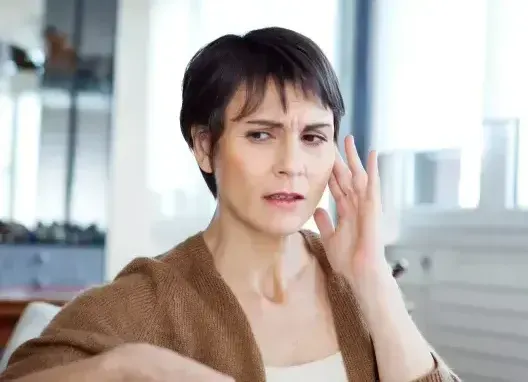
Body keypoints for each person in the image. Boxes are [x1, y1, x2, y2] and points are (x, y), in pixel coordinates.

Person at [0, 27, 458, 382]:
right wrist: (119, 368)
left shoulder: (360, 286)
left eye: (313, 137)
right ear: (204, 146)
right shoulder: (146, 300)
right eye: (261, 134)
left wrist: (374, 281)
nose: (291, 164)